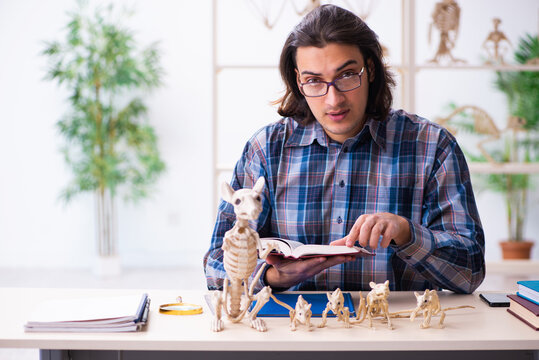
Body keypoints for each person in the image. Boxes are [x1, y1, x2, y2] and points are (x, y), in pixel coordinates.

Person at [204, 4, 485, 294]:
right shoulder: (266, 150)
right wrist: (272, 279)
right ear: (299, 82)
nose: (333, 100)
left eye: (347, 75)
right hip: (292, 332)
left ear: (371, 70)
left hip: (399, 333)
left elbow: (471, 272)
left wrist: (407, 233)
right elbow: (215, 266)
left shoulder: (432, 146)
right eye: (314, 81)